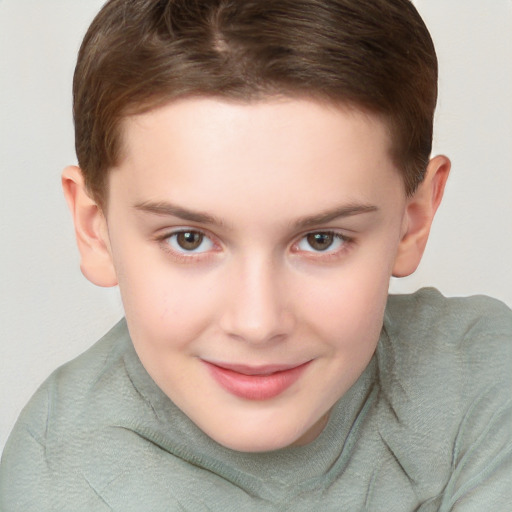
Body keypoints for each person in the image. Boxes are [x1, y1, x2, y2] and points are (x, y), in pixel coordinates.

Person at [1, 0, 510, 510]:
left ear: (413, 218)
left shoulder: (487, 382)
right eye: (189, 239)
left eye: (321, 240)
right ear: (96, 230)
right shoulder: (58, 475)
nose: (257, 323)